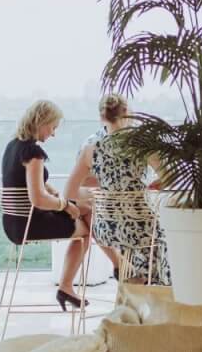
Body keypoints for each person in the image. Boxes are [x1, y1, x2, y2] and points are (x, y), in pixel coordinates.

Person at [67, 94, 170, 286]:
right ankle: (147, 287)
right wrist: (157, 184)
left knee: (144, 241)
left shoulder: (90, 149)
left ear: (102, 117)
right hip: (142, 227)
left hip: (106, 229)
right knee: (163, 237)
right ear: (127, 113)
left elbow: (70, 192)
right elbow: (171, 176)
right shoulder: (142, 144)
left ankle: (132, 283)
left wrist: (97, 193)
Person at [1, 99, 92, 311]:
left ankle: (68, 287)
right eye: (53, 127)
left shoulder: (13, 146)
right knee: (87, 230)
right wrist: (65, 205)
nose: (53, 134)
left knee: (86, 207)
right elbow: (38, 199)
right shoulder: (33, 153)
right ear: (42, 122)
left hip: (13, 223)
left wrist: (51, 190)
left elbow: (23, 182)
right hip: (30, 224)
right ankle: (67, 287)